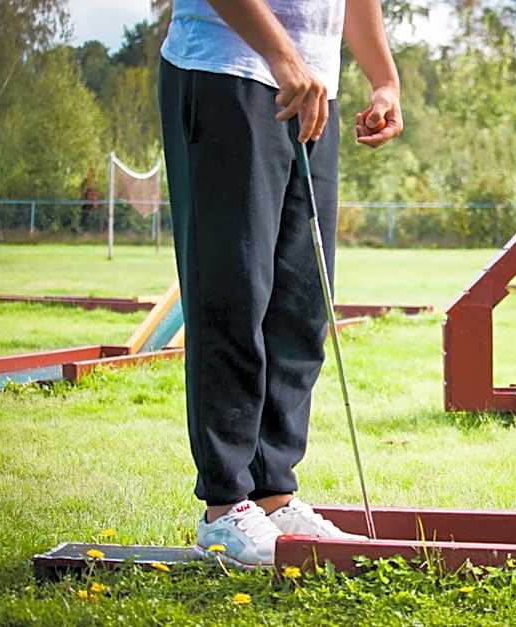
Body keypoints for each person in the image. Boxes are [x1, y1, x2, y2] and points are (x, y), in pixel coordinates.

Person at [158, 0, 402, 569]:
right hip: (226, 71)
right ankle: (225, 508)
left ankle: (273, 495)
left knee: (301, 305)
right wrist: (282, 57)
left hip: (314, 87)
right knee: (233, 294)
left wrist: (384, 81)